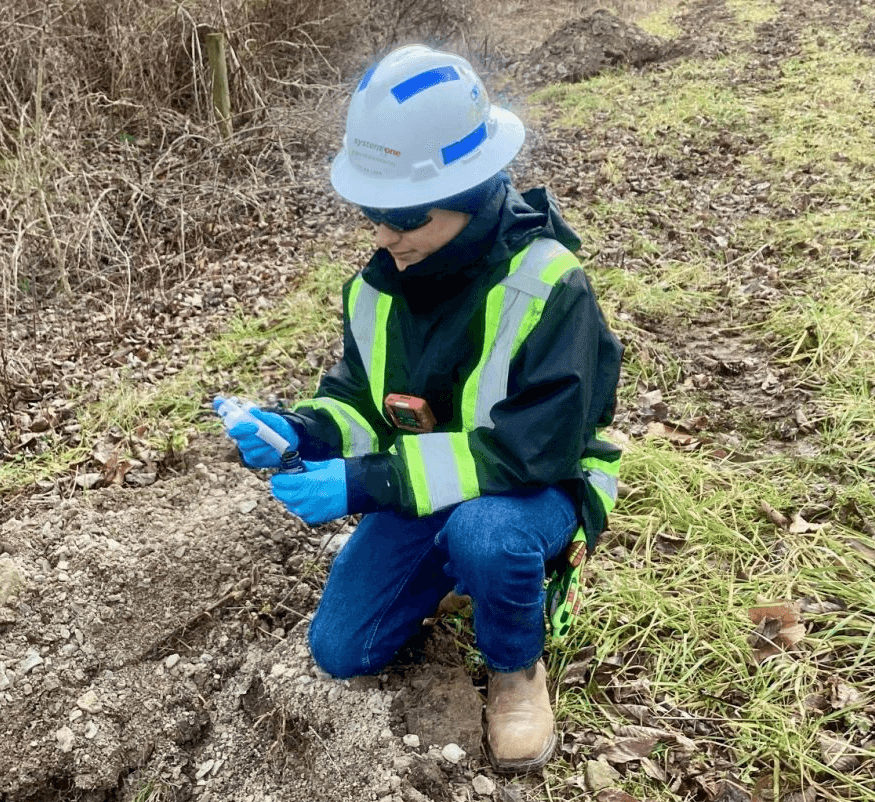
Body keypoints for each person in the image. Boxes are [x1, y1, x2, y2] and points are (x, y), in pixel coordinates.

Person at [215, 45, 622, 773]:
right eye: (371, 213)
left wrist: (369, 483)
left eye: (401, 215)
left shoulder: (549, 285)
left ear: (469, 191)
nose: (383, 235)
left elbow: (533, 449)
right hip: (427, 484)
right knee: (343, 649)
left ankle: (516, 667)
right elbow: (359, 402)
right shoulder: (375, 291)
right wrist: (302, 431)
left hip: (535, 487)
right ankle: (459, 570)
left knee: (486, 534)